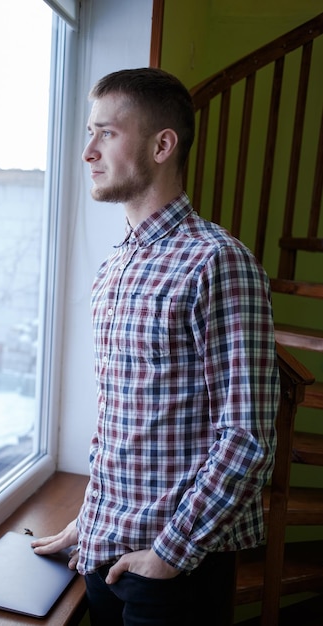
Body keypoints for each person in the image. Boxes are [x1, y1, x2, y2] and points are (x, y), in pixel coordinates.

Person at [32, 67, 280, 626]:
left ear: (162, 145)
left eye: (106, 133)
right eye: (87, 134)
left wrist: (170, 554)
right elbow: (122, 420)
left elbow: (248, 436)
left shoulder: (219, 262)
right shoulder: (116, 266)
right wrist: (87, 521)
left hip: (174, 568)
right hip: (101, 552)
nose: (87, 152)